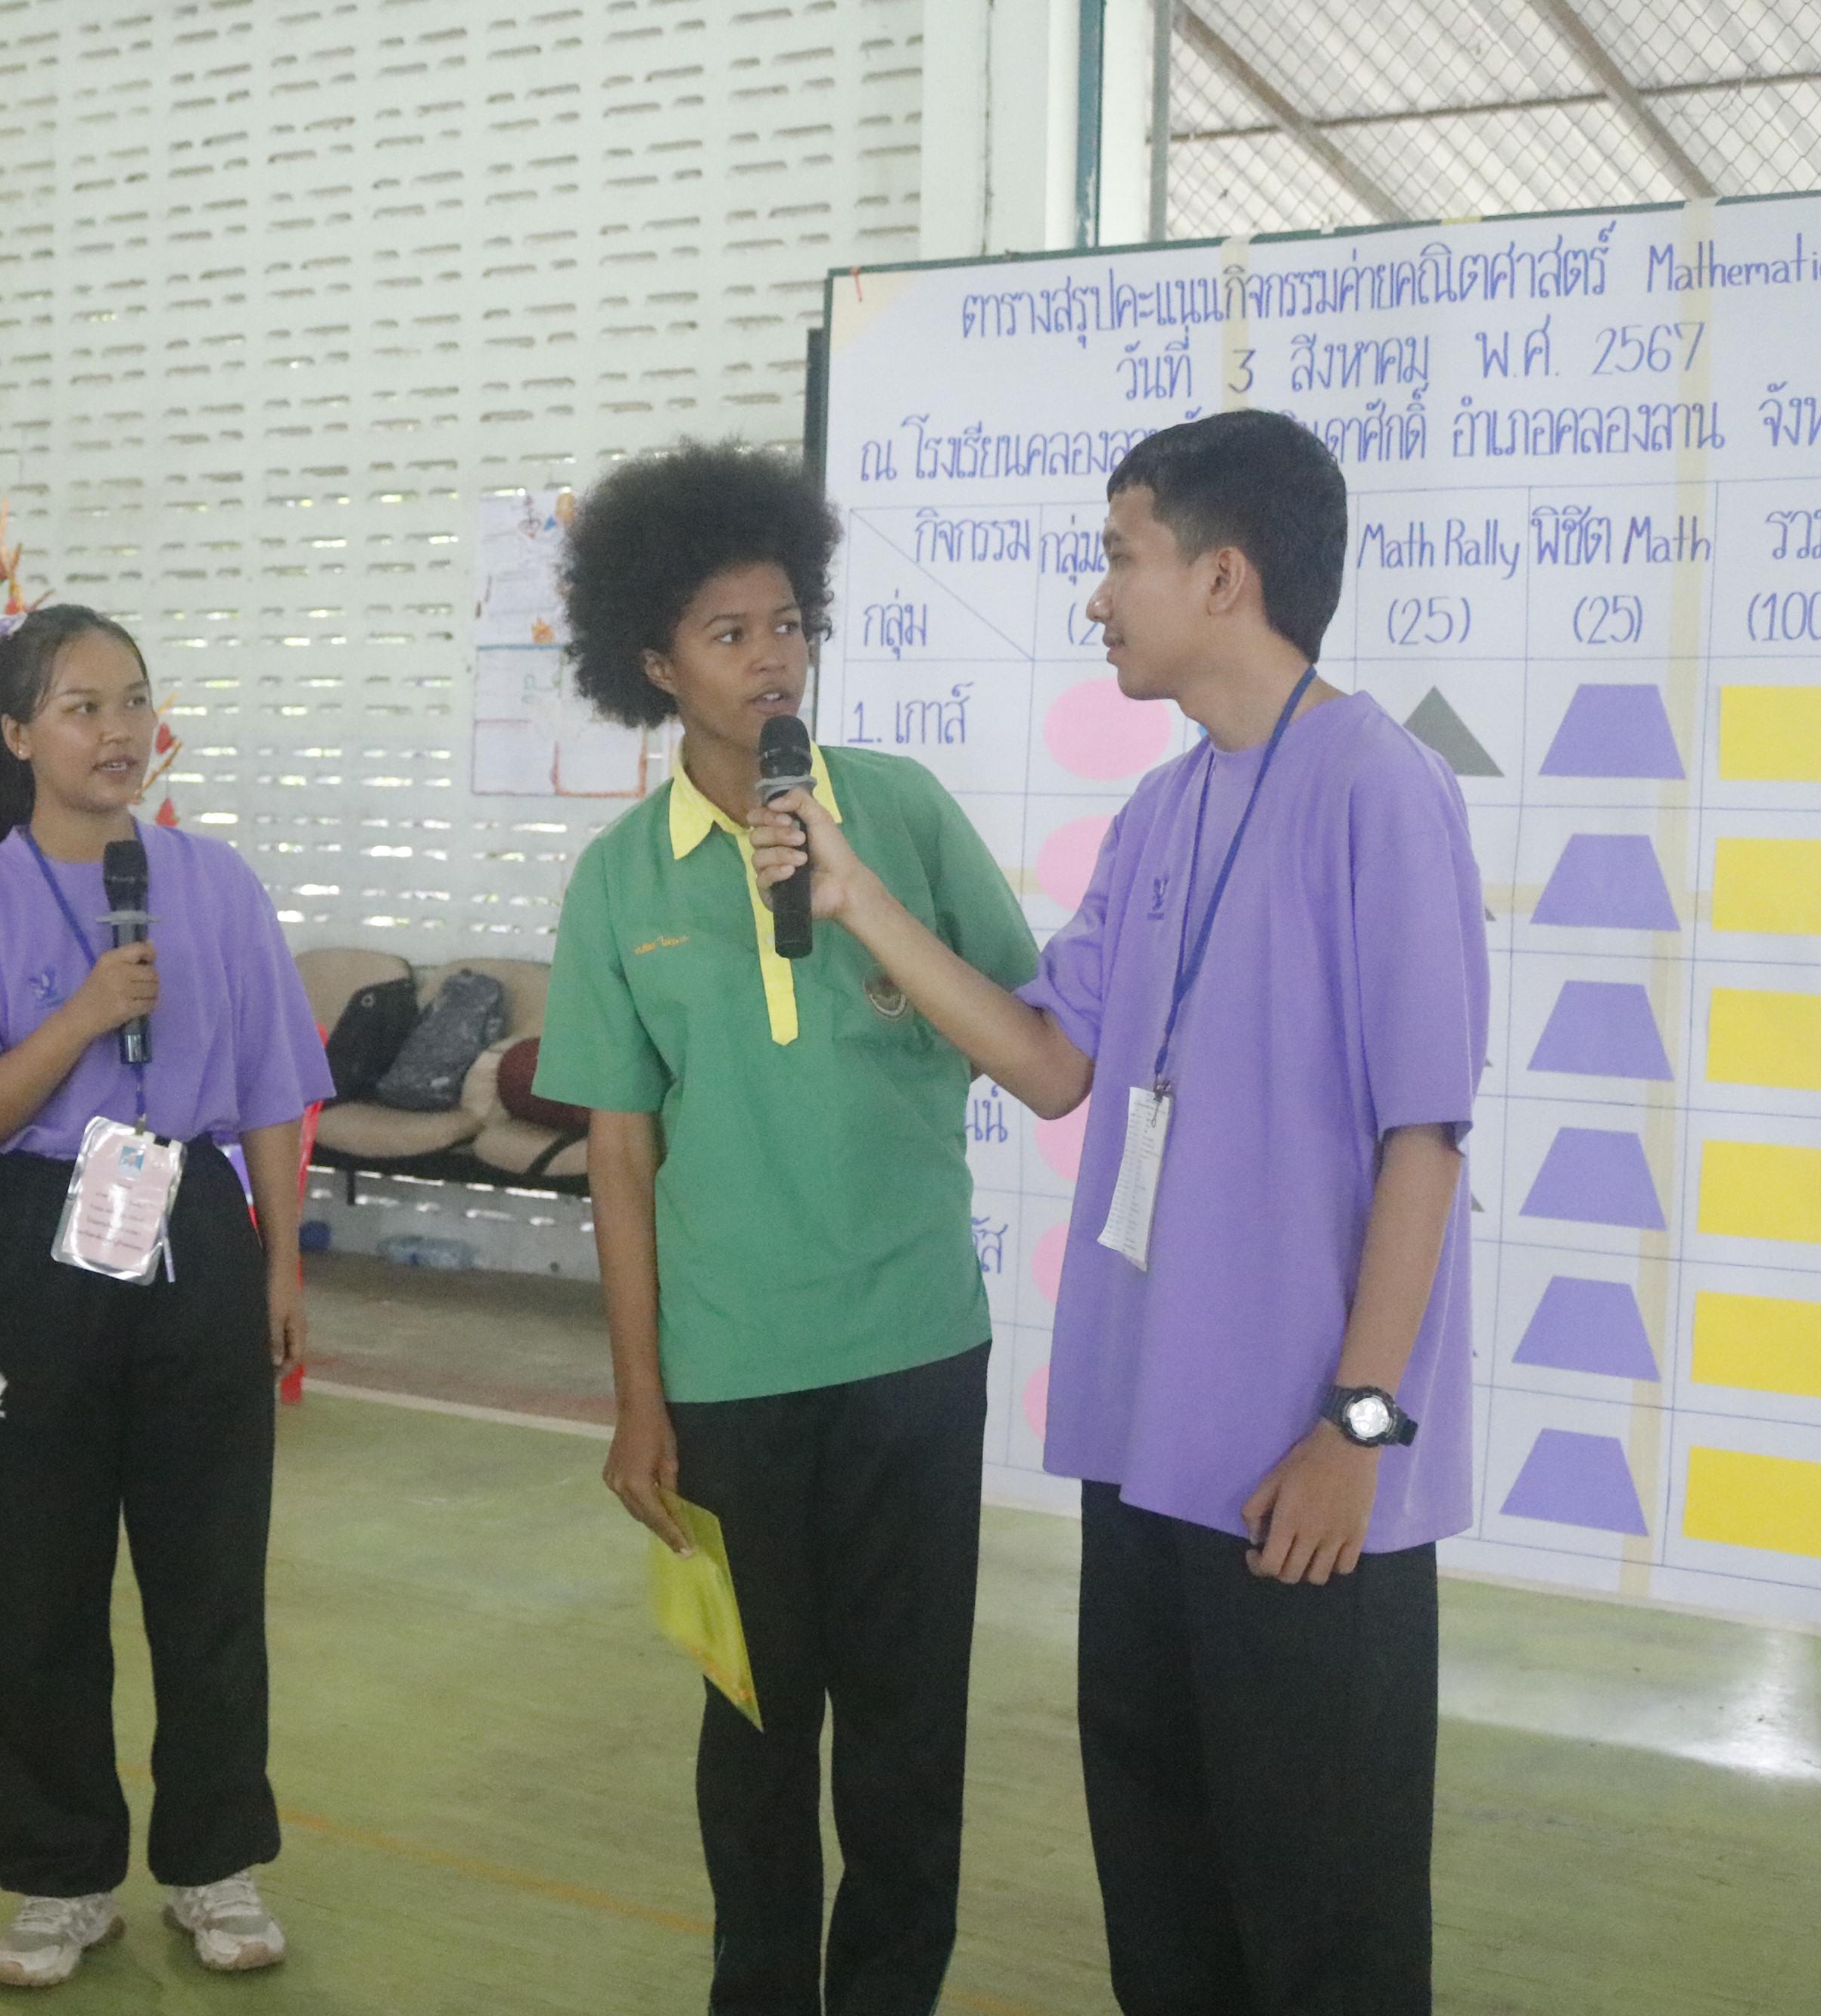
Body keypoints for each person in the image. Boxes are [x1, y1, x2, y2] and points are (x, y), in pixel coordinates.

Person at [752, 409, 1486, 2014]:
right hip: (1150, 1458)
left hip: (1305, 1481)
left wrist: (1360, 1425)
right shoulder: (1163, 814)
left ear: (1222, 576)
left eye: (1119, 556)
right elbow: (1052, 1059)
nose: (1097, 597)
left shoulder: (1381, 791)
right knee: (1167, 1897)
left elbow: (1425, 1137)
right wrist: (856, 894)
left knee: (1324, 1918)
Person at [533, 440, 1038, 2016]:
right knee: (756, 1737)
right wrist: (637, 1400)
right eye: (730, 633)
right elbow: (621, 1157)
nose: (772, 659)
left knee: (907, 1741)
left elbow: (1019, 1025)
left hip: (911, 1350)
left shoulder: (899, 810)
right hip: (731, 1372)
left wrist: (873, 926)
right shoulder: (622, 881)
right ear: (653, 661)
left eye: (790, 622)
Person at [0, 605, 330, 1990]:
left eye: (134, 701)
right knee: (40, 1582)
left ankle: (214, 1858)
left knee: (209, 1571)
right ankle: (58, 1870)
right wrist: (81, 1014)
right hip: (35, 1233)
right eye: (83, 706)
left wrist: (276, 1257)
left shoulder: (215, 882)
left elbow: (268, 1081)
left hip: (194, 1216)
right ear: (18, 734)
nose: (119, 731)